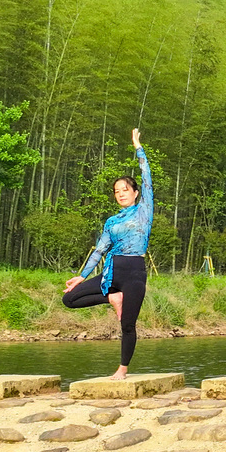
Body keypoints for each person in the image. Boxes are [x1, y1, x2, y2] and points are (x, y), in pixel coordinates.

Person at [63, 129, 152, 378]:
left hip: (134, 273)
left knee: (128, 325)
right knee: (69, 299)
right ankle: (112, 298)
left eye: (125, 189)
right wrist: (82, 276)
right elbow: (100, 250)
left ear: (135, 192)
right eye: (116, 191)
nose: (120, 193)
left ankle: (122, 369)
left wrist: (138, 148)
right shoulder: (111, 222)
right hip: (111, 273)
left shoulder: (144, 210)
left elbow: (147, 177)